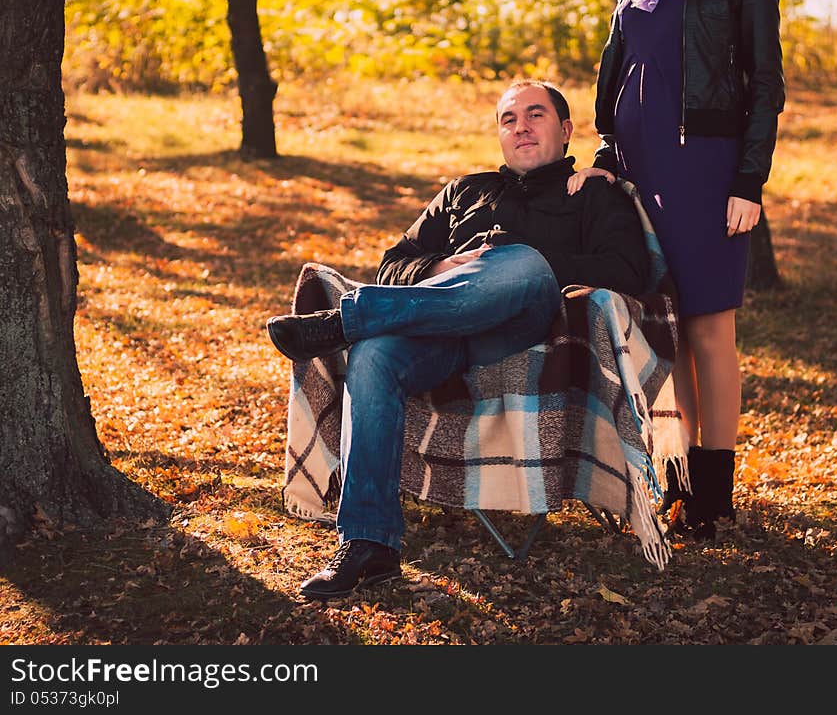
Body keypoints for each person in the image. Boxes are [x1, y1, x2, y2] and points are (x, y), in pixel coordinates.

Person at [267, 80, 651, 600]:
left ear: (565, 130)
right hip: (446, 335)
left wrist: (523, 263)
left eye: (535, 115)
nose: (521, 127)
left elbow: (628, 271)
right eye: (508, 119)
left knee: (519, 260)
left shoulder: (590, 192)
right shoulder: (464, 191)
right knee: (375, 354)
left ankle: (345, 319)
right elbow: (394, 264)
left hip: (532, 334)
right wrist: (445, 266)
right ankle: (368, 543)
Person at [571, 0, 785, 540]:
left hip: (709, 168)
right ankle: (684, 482)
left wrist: (749, 180)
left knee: (710, 327)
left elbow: (765, 85)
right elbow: (626, 69)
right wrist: (607, 151)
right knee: (671, 333)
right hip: (641, 172)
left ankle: (716, 500)